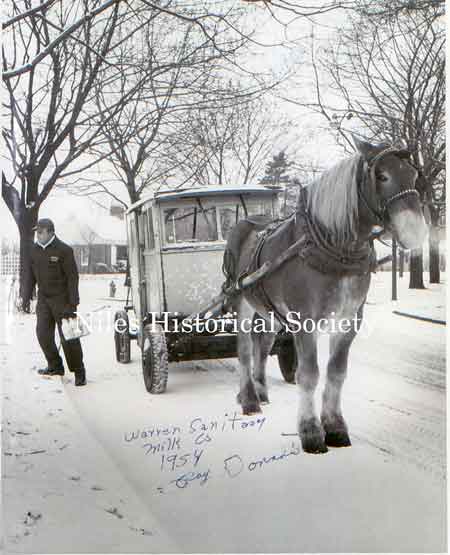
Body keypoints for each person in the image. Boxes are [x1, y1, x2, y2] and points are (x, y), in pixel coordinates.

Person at [22, 218, 87, 386]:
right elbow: (30, 275)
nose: (38, 235)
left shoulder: (64, 250)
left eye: (40, 232)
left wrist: (73, 303)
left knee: (69, 337)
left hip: (63, 300)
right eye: (37, 232)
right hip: (44, 300)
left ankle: (79, 371)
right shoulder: (34, 251)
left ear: (50, 232)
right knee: (42, 334)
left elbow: (73, 278)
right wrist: (26, 296)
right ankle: (55, 366)